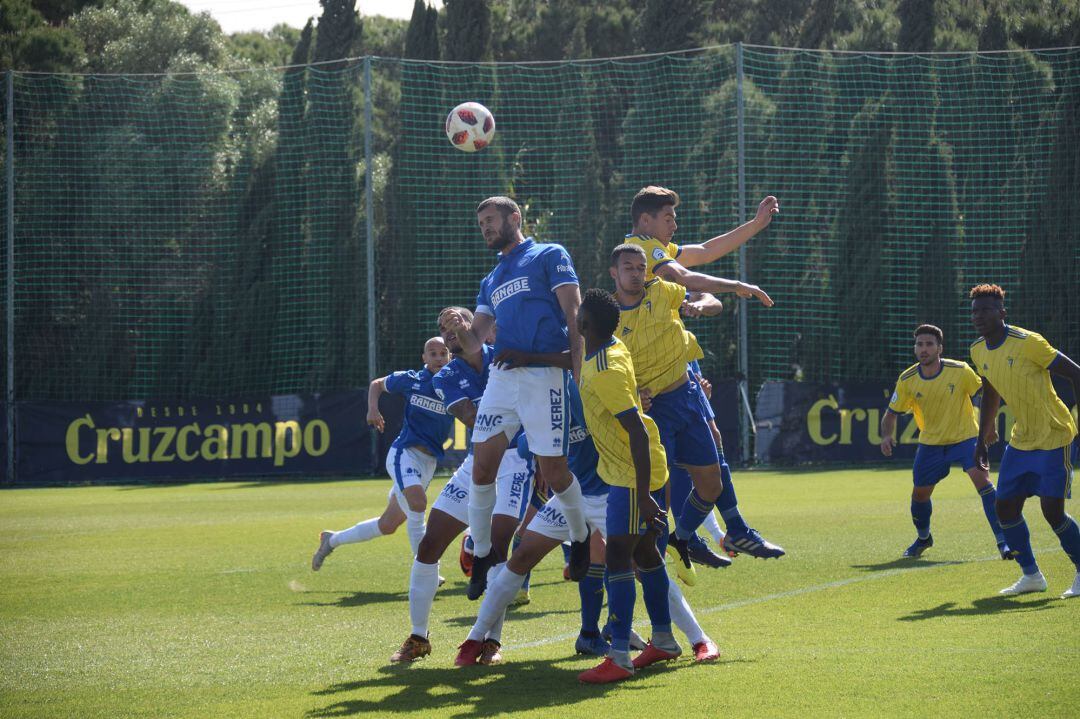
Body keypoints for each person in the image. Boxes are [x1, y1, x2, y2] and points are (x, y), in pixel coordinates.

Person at [454, 377, 719, 668]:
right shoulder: (543, 403)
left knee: (643, 565)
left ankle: (699, 640)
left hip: (611, 495)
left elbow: (630, 423)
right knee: (522, 556)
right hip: (571, 495)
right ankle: (474, 639)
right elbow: (525, 447)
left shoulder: (589, 390)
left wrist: (635, 402)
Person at [609, 243, 783, 565]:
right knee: (659, 494)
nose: (635, 274)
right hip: (653, 412)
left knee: (711, 485)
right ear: (613, 273)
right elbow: (604, 368)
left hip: (685, 398)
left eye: (640, 268)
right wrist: (633, 393)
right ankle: (652, 562)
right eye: (628, 268)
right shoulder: (611, 318)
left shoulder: (661, 291)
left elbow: (709, 299)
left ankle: (683, 539)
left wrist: (702, 305)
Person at [462, 197, 590, 600]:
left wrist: (579, 375)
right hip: (502, 377)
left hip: (544, 377)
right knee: (482, 468)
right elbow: (475, 341)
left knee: (554, 473)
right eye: (480, 223)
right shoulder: (491, 279)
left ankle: (580, 536)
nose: (485, 227)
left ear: (514, 218)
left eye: (491, 220)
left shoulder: (549, 254)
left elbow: (574, 315)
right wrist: (456, 330)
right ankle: (482, 555)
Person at [388, 309, 533, 664]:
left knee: (498, 549)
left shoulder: (504, 355)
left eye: (456, 323)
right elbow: (472, 418)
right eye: (443, 327)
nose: (448, 330)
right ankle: (418, 637)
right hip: (477, 461)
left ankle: (491, 643)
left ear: (475, 327)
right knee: (429, 544)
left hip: (515, 461)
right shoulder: (446, 376)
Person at [575, 288, 684, 684]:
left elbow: (635, 430)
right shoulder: (610, 347)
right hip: (629, 469)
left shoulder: (605, 367)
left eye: (578, 313)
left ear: (585, 324)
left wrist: (645, 496)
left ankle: (619, 655)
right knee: (645, 554)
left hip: (632, 473)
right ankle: (664, 640)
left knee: (618, 556)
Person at [968, 284, 1080, 597]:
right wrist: (981, 440)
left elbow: (1077, 374)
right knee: (1004, 508)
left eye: (985, 310)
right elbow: (991, 391)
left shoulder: (1029, 342)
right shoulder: (977, 350)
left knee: (1052, 512)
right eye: (974, 311)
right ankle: (1031, 576)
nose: (978, 316)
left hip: (1054, 434)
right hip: (1021, 439)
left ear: (1002, 313)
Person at [311, 337, 452, 570]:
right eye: (433, 353)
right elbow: (377, 384)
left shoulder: (454, 384)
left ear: (450, 356)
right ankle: (426, 572)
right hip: (405, 454)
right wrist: (373, 409)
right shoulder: (412, 379)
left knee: (388, 525)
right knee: (418, 504)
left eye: (443, 353)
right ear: (424, 358)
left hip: (428, 463)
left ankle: (332, 540)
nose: (439, 358)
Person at [880, 324, 1011, 559]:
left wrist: (989, 426)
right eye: (920, 344)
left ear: (940, 348)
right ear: (915, 348)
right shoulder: (907, 379)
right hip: (930, 444)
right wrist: (886, 436)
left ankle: (1004, 542)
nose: (924, 349)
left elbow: (988, 393)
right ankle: (923, 538)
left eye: (929, 344)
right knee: (920, 495)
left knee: (983, 483)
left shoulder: (960, 370)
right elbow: (891, 413)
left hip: (966, 438)